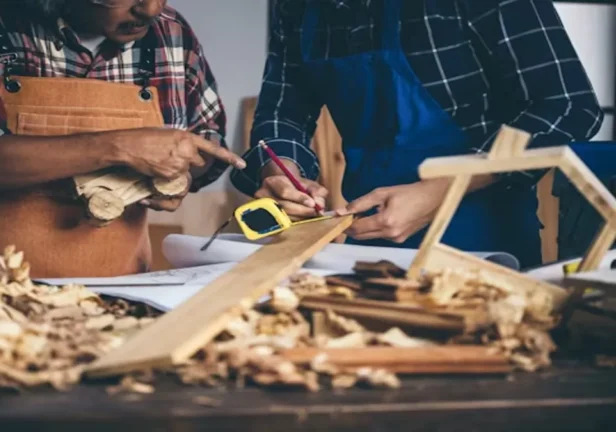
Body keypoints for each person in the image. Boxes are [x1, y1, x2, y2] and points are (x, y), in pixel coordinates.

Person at [231, 0, 604, 269]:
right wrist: (281, 172)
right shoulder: (298, 9)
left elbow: (569, 106)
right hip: (366, 248)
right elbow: (282, 114)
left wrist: (445, 188)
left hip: (483, 246)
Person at [0, 0, 246, 277]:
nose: (151, 9)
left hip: (117, 295)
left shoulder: (171, 32)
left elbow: (207, 145)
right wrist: (119, 148)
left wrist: (176, 173)